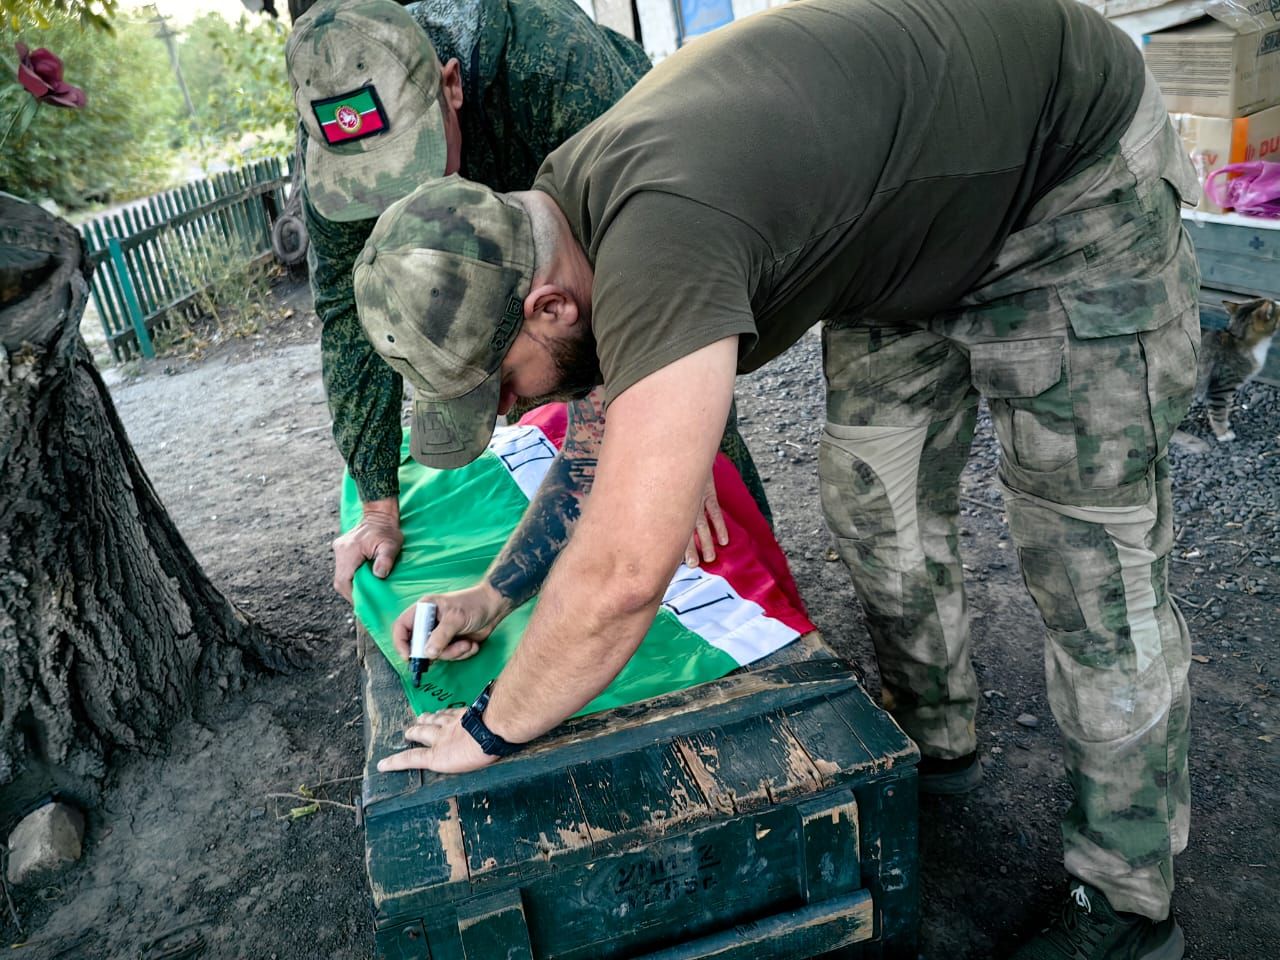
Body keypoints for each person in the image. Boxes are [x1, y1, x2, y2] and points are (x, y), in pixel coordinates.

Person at [353, 0, 1200, 956]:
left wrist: (492, 729)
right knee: (873, 504)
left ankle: (1128, 901)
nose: (506, 414)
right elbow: (597, 432)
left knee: (1092, 566)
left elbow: (629, 571)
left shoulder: (657, 235)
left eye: (498, 384)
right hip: (911, 229)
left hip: (1064, 181)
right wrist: (497, 595)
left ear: (547, 304)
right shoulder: (556, 220)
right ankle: (938, 751)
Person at [285, 0, 771, 603]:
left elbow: (666, 257)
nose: (406, 202)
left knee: (684, 462)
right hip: (511, 287)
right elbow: (347, 316)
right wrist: (378, 500)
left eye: (416, 164)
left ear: (452, 85)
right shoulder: (340, 147)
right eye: (379, 185)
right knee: (531, 399)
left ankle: (760, 612)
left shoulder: (551, 62)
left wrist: (679, 432)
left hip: (622, 227)